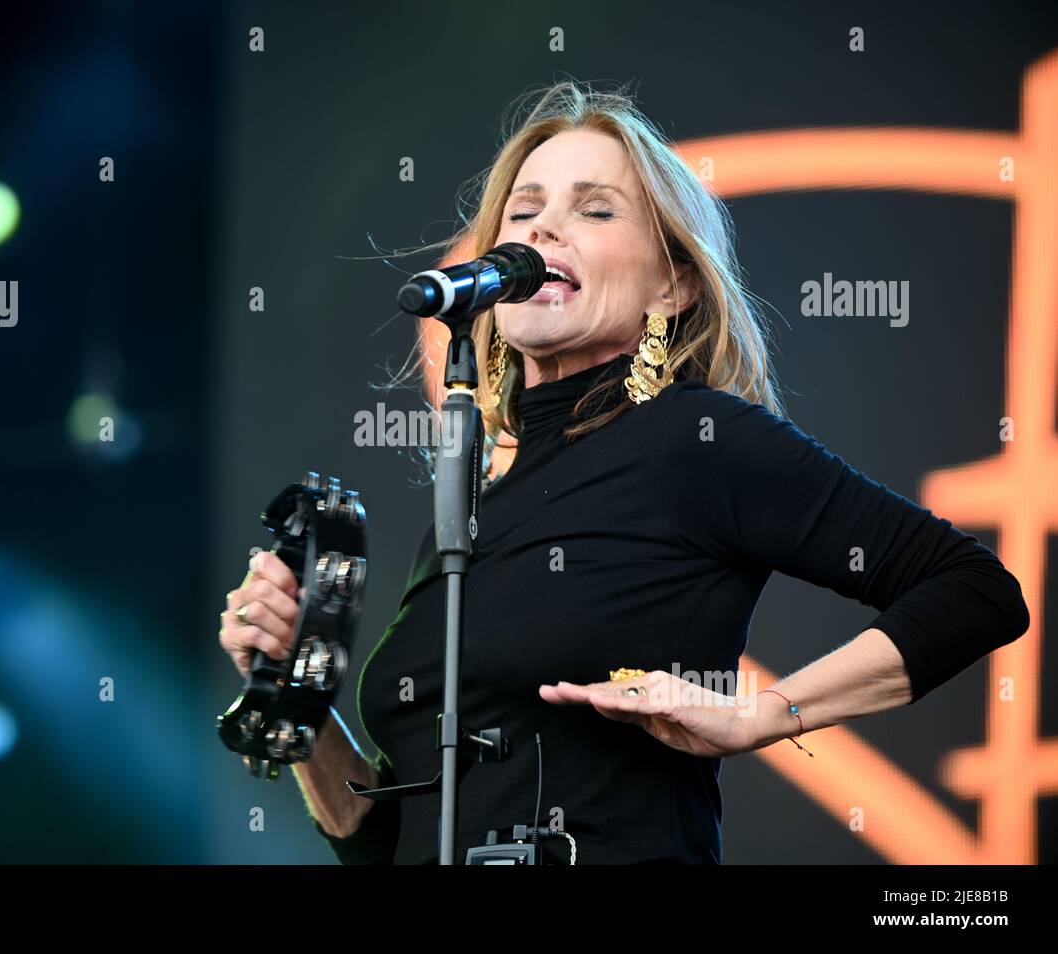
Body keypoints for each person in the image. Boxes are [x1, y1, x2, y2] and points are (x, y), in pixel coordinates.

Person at [217, 81, 1030, 864]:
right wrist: (300, 698)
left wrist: (763, 716)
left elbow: (973, 592)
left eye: (596, 210)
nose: (543, 232)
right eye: (524, 211)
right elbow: (376, 837)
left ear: (672, 285)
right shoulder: (468, 511)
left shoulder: (693, 440)